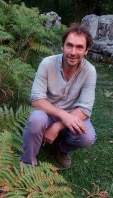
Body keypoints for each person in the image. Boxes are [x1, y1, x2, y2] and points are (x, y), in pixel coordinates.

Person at [20, 23, 97, 167]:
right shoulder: (47, 64)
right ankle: (27, 162)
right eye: (69, 45)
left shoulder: (90, 71)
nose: (73, 52)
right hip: (46, 112)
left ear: (86, 50)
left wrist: (57, 126)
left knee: (87, 137)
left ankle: (61, 148)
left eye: (79, 47)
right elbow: (36, 100)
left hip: (72, 115)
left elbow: (85, 108)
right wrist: (63, 115)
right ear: (63, 46)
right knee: (36, 120)